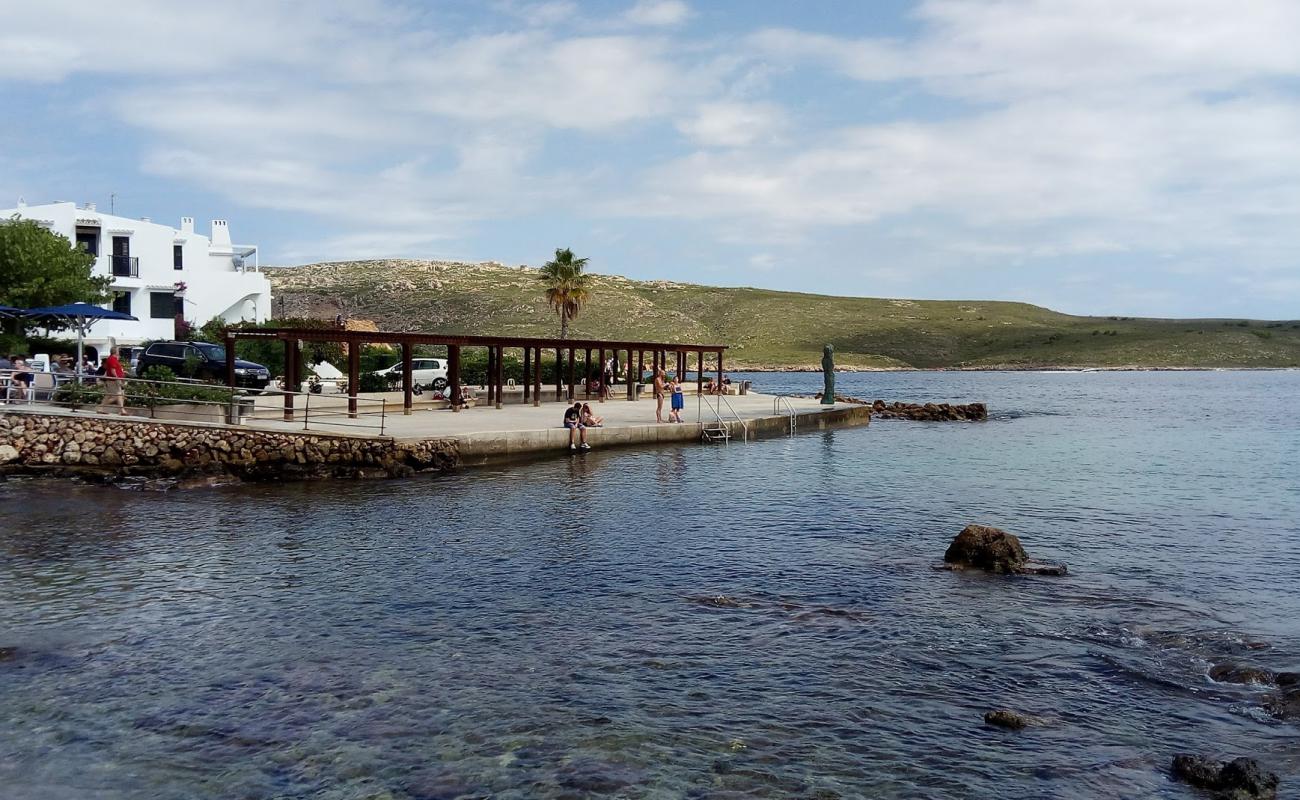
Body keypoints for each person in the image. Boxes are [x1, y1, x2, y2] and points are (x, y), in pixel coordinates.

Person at [96, 350, 127, 415]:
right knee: (119, 394)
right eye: (118, 351)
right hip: (113, 380)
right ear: (116, 352)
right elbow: (113, 371)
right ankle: (122, 410)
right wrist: (117, 378)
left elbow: (114, 370)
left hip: (112, 379)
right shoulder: (112, 359)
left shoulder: (112, 359)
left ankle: (100, 408)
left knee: (109, 394)